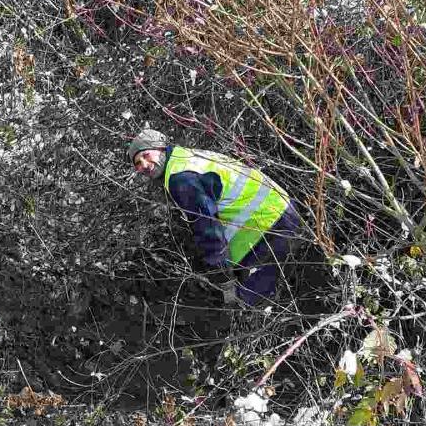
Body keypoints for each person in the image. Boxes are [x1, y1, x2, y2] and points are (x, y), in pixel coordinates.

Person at [128, 128, 300, 308]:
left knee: (245, 305)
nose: (143, 165)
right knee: (278, 293)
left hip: (269, 226)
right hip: (279, 211)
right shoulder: (186, 157)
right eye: (138, 163)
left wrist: (223, 278)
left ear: (160, 148)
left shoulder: (180, 178)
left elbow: (207, 227)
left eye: (146, 155)